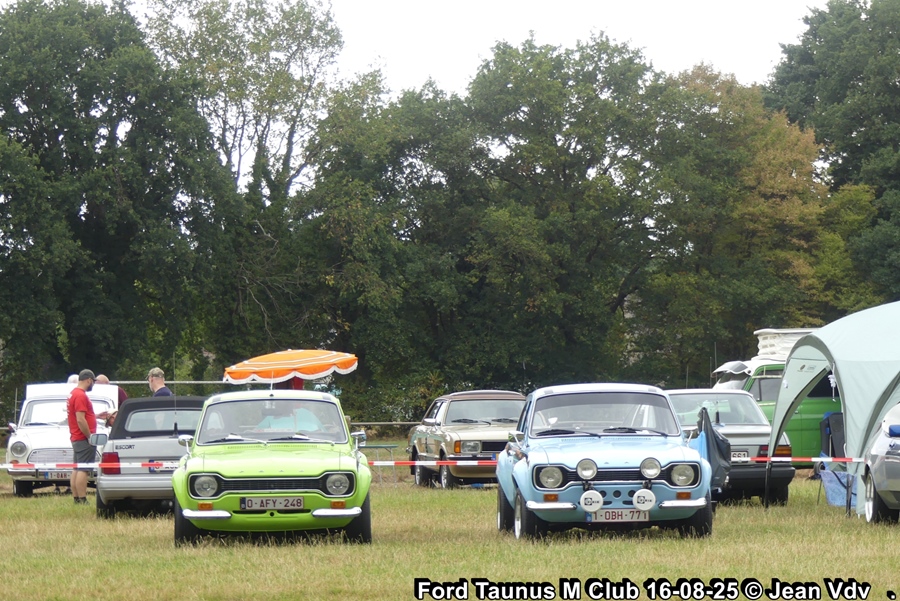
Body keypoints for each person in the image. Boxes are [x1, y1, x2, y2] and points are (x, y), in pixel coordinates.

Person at [67, 369, 98, 505]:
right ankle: (82, 498)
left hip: (76, 437)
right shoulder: (80, 395)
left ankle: (76, 498)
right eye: (93, 382)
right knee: (83, 469)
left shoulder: (73, 393)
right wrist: (89, 436)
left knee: (76, 468)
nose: (93, 385)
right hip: (82, 438)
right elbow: (80, 419)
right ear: (89, 380)